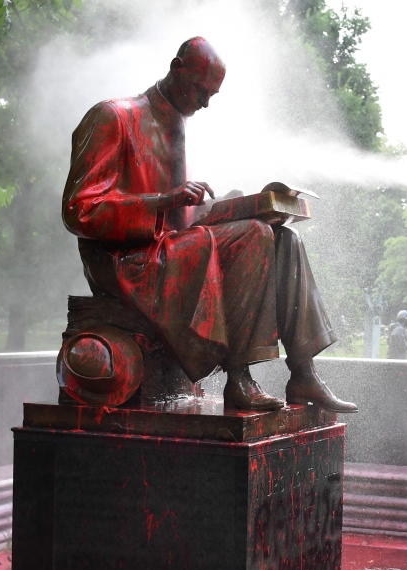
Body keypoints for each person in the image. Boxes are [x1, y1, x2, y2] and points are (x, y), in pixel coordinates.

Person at [62, 36, 355, 412]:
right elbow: (79, 210)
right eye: (201, 90)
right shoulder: (112, 116)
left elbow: (183, 220)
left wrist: (242, 205)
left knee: (284, 237)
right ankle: (239, 378)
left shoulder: (174, 127)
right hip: (125, 262)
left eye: (212, 95)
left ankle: (303, 374)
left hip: (168, 247)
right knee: (253, 235)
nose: (204, 103)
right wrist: (164, 201)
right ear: (175, 67)